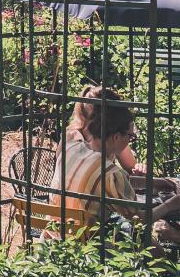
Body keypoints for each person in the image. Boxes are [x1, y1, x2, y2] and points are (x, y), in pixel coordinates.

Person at [59, 94, 138, 229]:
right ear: (116, 136)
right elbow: (138, 217)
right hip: (85, 237)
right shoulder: (109, 172)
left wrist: (155, 183)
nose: (130, 140)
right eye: (130, 136)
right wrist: (170, 205)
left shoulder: (71, 146)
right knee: (141, 235)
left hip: (55, 230)